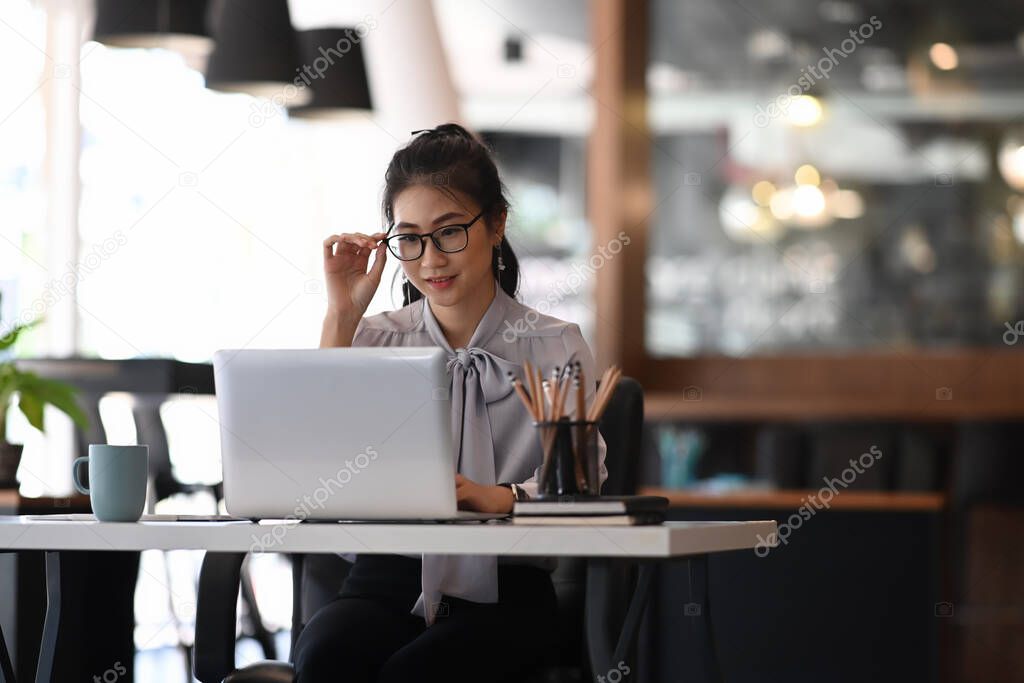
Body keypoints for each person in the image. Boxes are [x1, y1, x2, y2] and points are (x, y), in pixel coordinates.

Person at [294, 123, 607, 683]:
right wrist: (341, 316)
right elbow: (315, 465)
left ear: (495, 224)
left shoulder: (555, 343)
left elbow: (581, 484)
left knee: (417, 674)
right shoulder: (371, 338)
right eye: (410, 238)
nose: (430, 259)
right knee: (326, 657)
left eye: (449, 233)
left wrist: (499, 497)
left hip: (505, 589)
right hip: (386, 578)